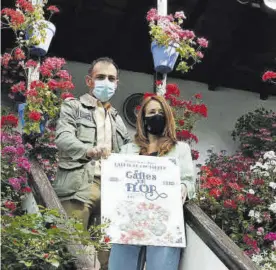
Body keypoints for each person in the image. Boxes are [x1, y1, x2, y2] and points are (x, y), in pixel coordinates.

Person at [53, 57, 130, 270]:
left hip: (111, 190)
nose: (106, 82)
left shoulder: (118, 119)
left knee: (111, 255)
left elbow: (128, 151)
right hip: (79, 184)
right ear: (89, 80)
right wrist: (87, 150)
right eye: (101, 77)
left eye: (111, 78)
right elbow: (63, 137)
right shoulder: (73, 107)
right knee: (71, 250)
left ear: (116, 83)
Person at [108, 94, 195, 270]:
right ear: (143, 118)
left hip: (164, 222)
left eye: (161, 112)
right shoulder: (127, 150)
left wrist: (184, 188)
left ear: (168, 116)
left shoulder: (181, 149)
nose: (156, 115)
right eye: (152, 112)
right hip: (129, 221)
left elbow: (189, 181)